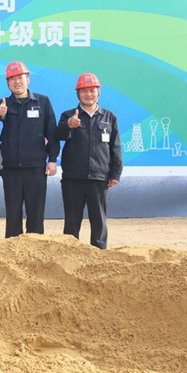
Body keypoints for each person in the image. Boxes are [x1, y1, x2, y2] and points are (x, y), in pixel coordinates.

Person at [0, 61, 59, 238]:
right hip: (11, 168)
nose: (17, 82)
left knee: (36, 212)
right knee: (13, 212)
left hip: (36, 167)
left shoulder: (42, 102)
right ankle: (12, 248)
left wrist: (52, 159)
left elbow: (52, 132)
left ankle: (36, 248)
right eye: (12, 79)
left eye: (20, 77)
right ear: (7, 83)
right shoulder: (5, 103)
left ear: (28, 79)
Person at [56, 73, 123, 249]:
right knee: (72, 220)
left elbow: (115, 147)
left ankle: (99, 255)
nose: (88, 94)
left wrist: (115, 173)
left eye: (92, 90)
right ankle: (70, 253)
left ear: (98, 92)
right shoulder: (68, 115)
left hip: (100, 178)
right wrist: (68, 125)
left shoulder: (109, 117)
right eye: (84, 91)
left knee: (99, 220)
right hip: (73, 178)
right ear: (78, 94)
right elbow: (58, 136)